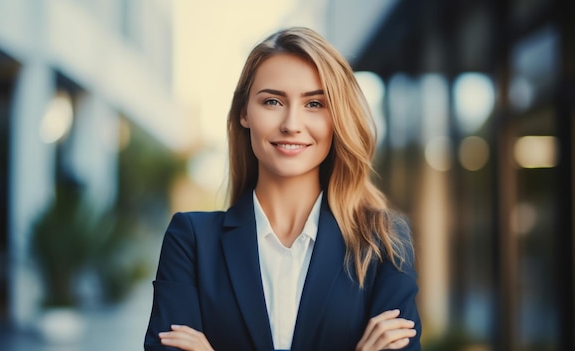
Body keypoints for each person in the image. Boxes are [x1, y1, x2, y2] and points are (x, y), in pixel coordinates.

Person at [144, 27, 421, 351]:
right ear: (244, 113)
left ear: (337, 118)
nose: (291, 123)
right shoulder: (191, 240)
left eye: (314, 103)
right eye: (273, 101)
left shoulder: (383, 241)